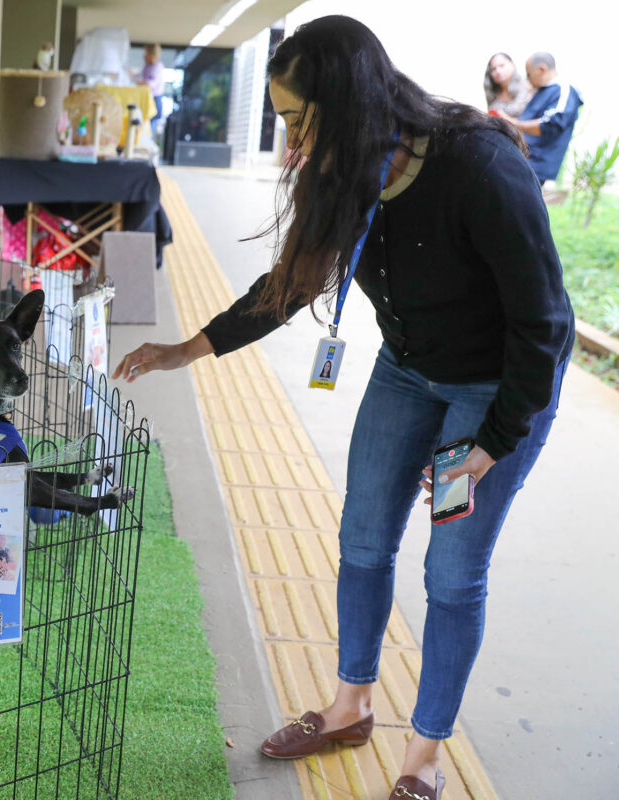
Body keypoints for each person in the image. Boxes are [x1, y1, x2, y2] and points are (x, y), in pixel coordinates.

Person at [112, 16, 573, 799]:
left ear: (349, 102)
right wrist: (189, 348)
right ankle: (350, 705)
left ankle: (421, 759)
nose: (289, 141)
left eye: (298, 118)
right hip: (407, 372)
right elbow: (292, 282)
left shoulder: (480, 166)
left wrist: (493, 442)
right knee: (362, 537)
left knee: (453, 571)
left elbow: (546, 325)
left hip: (498, 390)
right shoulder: (348, 168)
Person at [496, 52, 583, 184]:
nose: (528, 79)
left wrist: (511, 122)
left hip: (536, 164)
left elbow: (551, 125)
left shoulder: (564, 89)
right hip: (522, 158)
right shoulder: (542, 91)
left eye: (529, 74)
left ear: (542, 69)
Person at [482, 52, 531, 117]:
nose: (498, 71)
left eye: (502, 66)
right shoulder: (492, 93)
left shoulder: (528, 85)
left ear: (512, 64)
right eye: (493, 69)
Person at [136, 43, 166, 124]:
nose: (144, 56)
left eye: (146, 53)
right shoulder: (147, 66)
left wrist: (137, 82)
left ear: (152, 55)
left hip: (154, 99)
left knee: (149, 127)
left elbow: (150, 84)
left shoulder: (157, 67)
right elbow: (139, 76)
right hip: (147, 98)